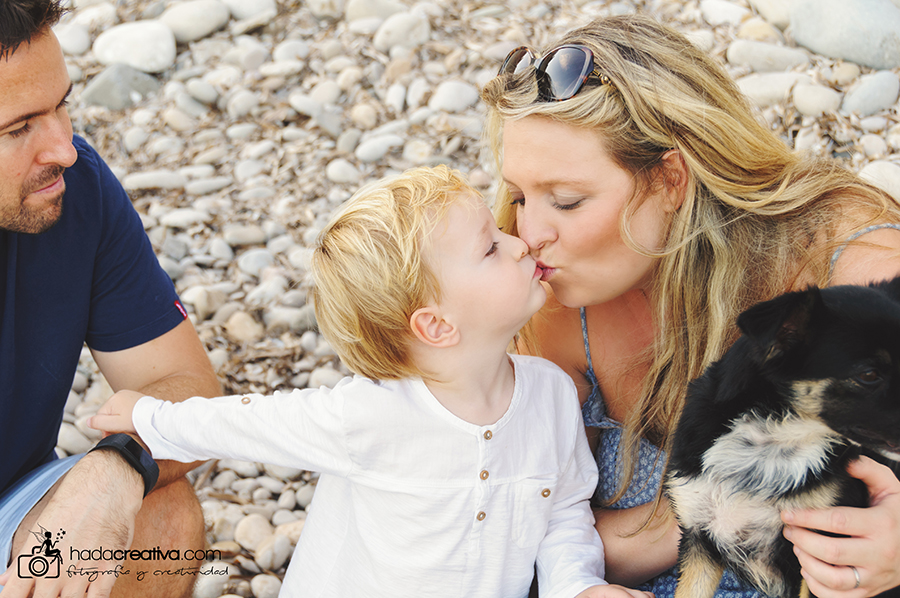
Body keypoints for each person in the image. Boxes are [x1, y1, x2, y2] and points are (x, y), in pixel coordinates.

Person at [480, 14, 900, 598]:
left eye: (568, 201)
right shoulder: (553, 303)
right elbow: (500, 533)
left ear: (671, 178)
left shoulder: (847, 280)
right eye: (521, 196)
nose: (530, 233)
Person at [88, 165, 653, 598]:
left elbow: (564, 512)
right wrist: (148, 417)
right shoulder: (370, 414)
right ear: (436, 324)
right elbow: (248, 422)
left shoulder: (551, 395)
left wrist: (576, 585)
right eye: (490, 246)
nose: (520, 241)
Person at [0, 2, 222, 597]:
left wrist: (118, 462)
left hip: (11, 513)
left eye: (62, 105)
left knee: (162, 519)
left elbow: (186, 384)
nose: (64, 150)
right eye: (18, 129)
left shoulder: (79, 193)